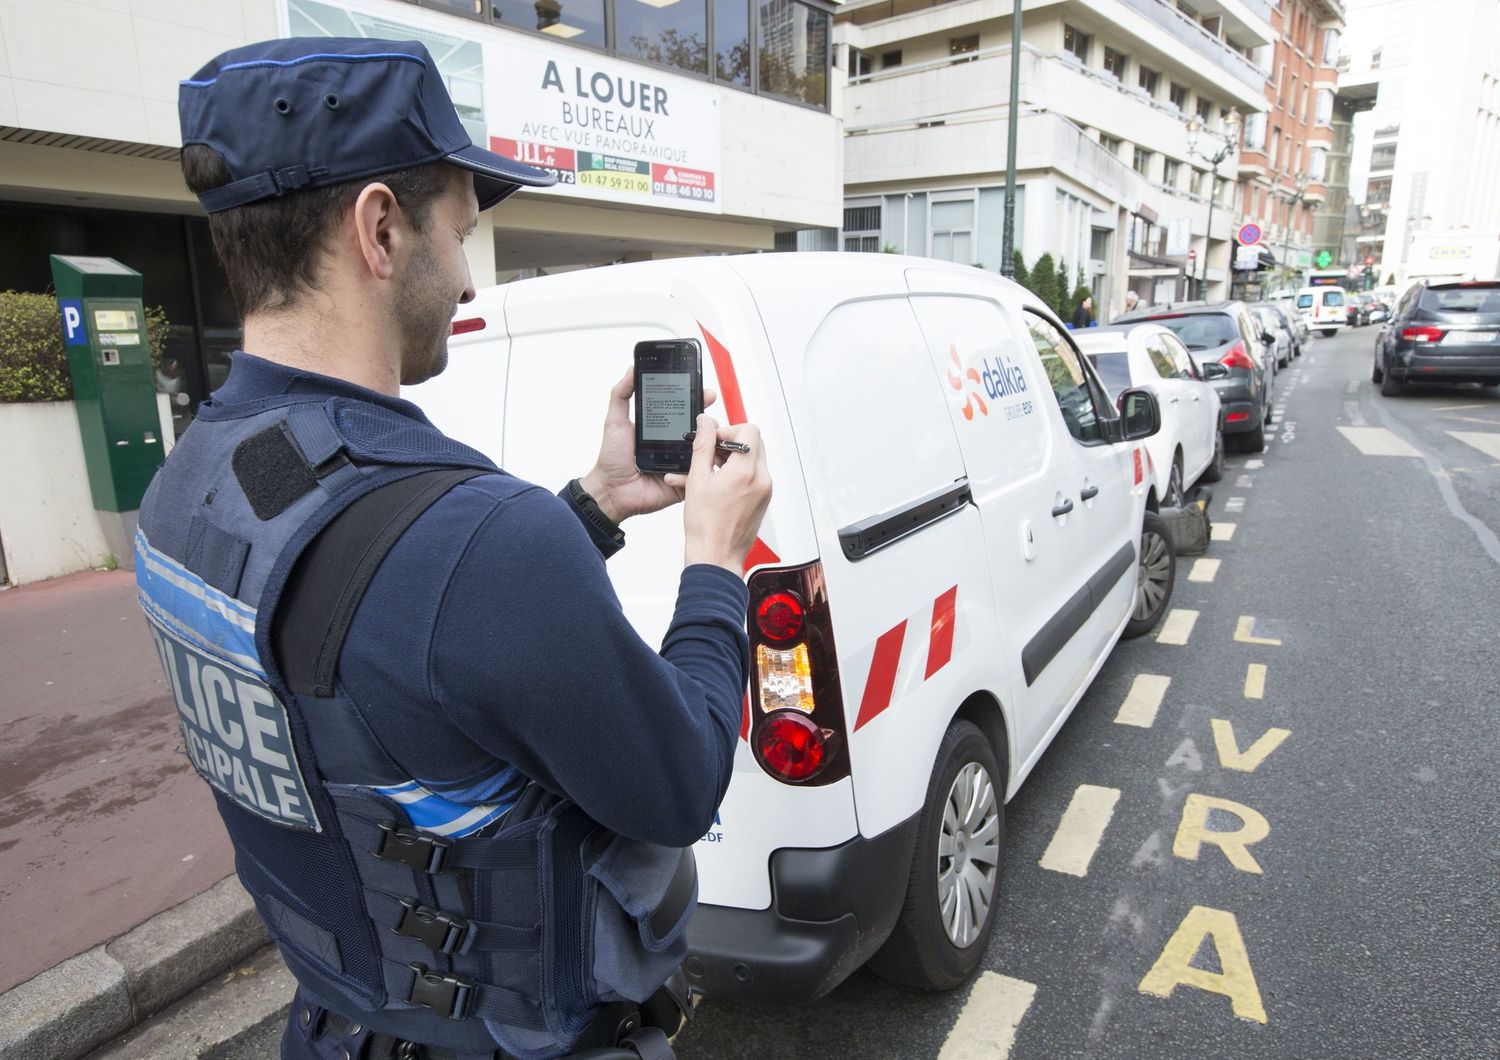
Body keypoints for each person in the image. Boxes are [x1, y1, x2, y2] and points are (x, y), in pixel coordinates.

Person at [135, 37, 771, 1060]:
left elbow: (376, 639)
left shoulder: (192, 488)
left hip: (335, 1025)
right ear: (380, 229)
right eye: (460, 230)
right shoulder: (483, 541)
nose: (469, 277)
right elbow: (682, 782)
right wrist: (715, 560)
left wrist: (599, 500)